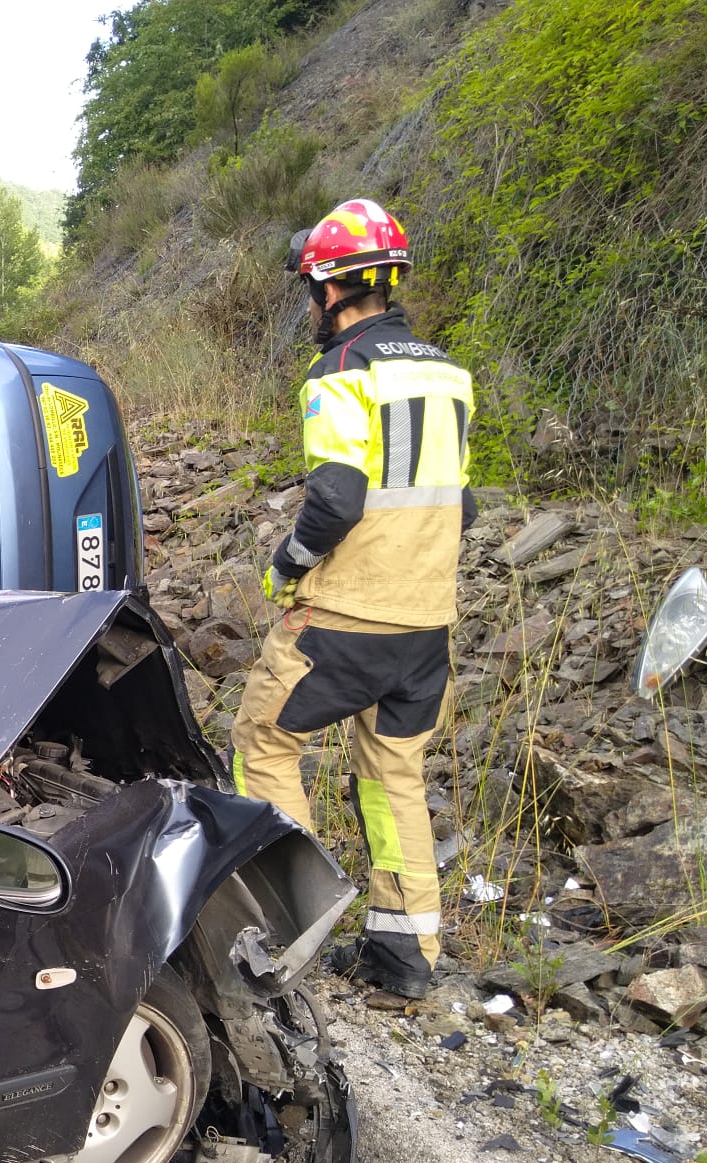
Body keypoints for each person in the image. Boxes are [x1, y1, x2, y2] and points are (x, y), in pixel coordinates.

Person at [231, 198, 476, 1001]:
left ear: (331, 291)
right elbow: (460, 506)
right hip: (425, 627)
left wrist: (287, 566)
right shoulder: (445, 372)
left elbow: (335, 499)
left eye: (310, 289)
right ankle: (406, 959)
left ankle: (282, 938)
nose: (309, 306)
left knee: (263, 742)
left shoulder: (341, 374)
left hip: (343, 625)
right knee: (393, 776)